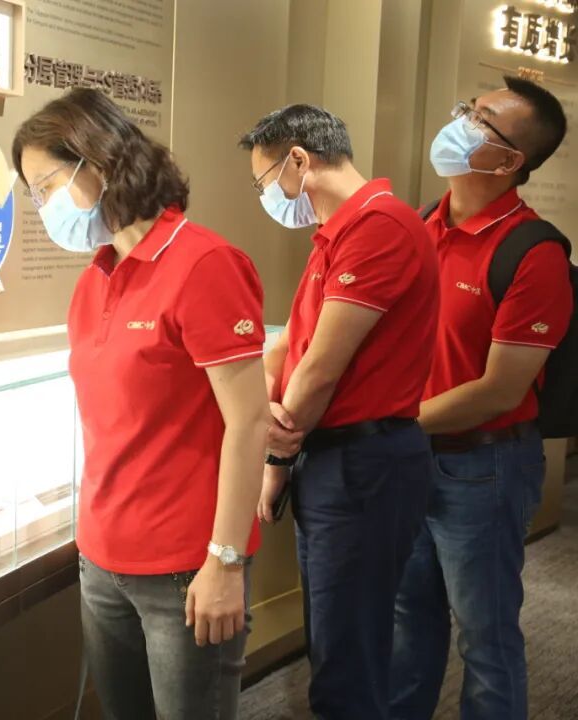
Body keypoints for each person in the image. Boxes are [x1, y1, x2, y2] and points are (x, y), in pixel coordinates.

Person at [13, 87, 269, 720]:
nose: (43, 207)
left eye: (46, 186)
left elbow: (249, 420)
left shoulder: (204, 264)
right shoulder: (95, 278)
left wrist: (225, 560)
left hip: (186, 567)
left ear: (97, 161)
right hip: (103, 557)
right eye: (34, 195)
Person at [241, 105, 440, 720]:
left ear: (299, 159)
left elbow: (322, 367)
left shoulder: (380, 226)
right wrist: (269, 407)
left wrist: (275, 453)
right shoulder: (337, 231)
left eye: (265, 179)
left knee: (347, 658)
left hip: (362, 461)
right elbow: (288, 347)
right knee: (336, 638)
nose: (268, 195)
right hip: (334, 459)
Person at [390, 77, 573, 720]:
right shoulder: (420, 223)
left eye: (481, 119)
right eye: (467, 109)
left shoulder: (534, 251)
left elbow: (501, 389)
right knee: (408, 616)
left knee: (486, 634)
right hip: (411, 454)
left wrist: (392, 423)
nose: (461, 121)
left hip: (483, 468)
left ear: (509, 160)